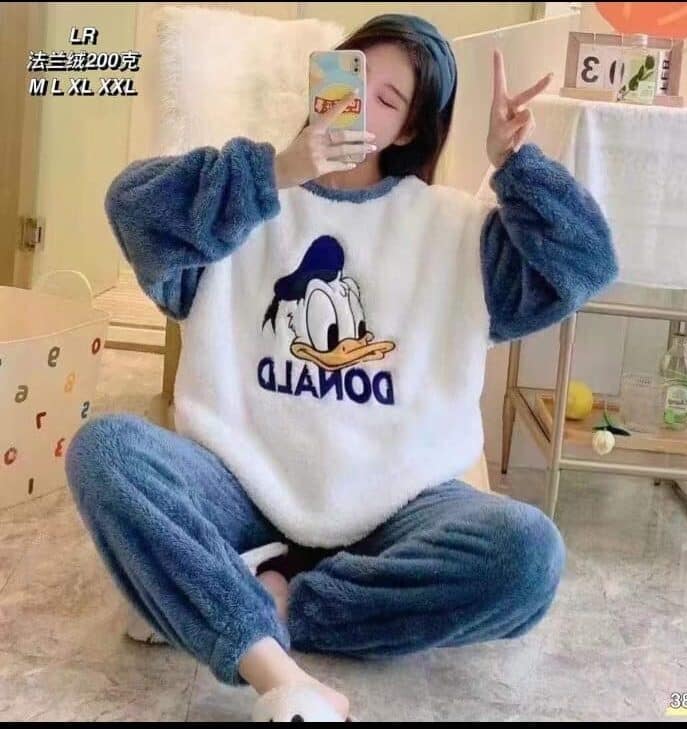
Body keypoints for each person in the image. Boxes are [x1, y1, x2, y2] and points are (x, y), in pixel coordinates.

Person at [65, 13, 618, 722]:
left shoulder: (454, 229)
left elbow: (585, 263)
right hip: (242, 484)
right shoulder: (246, 199)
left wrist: (517, 166)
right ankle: (263, 656)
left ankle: (253, 598)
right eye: (351, 78)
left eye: (387, 99)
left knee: (528, 555)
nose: (358, 104)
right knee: (107, 449)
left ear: (410, 131)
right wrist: (279, 171)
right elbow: (132, 208)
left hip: (399, 503)